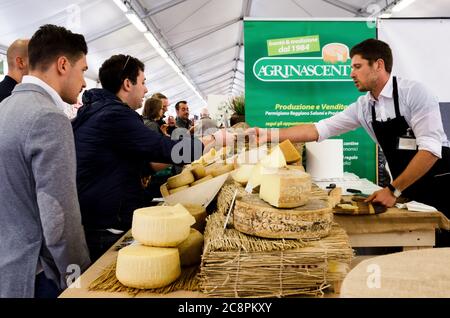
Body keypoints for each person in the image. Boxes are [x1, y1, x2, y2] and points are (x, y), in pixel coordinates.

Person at [249, 38, 450, 219]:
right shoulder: (364, 107)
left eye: (357, 66)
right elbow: (319, 129)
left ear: (379, 65)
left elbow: (431, 150)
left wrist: (392, 190)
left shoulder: (414, 93)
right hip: (406, 189)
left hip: (439, 184)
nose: (351, 73)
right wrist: (269, 135)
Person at [72, 54, 233, 261]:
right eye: (143, 82)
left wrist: (202, 145)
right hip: (108, 226)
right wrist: (214, 138)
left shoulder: (101, 111)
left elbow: (139, 163)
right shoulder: (114, 115)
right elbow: (166, 149)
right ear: (128, 84)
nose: (146, 90)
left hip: (102, 220)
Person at [0, 24, 90, 298]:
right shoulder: (48, 118)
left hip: (10, 271)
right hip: (41, 277)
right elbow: (60, 218)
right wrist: (77, 278)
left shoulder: (3, 109)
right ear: (63, 64)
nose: (85, 82)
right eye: (83, 70)